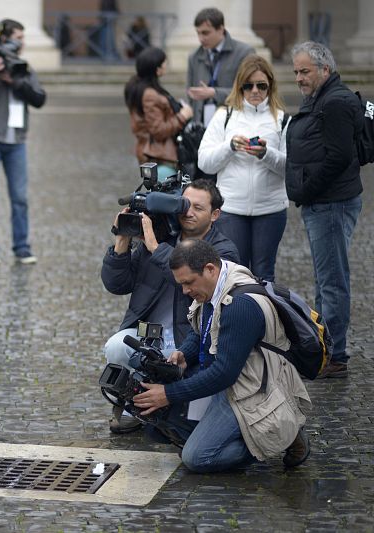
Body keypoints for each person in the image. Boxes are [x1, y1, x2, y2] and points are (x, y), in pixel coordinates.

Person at [132, 239, 312, 473]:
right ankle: (236, 432)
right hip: (228, 379)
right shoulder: (215, 284)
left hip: (251, 388)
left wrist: (168, 394)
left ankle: (281, 434)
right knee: (161, 426)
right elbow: (202, 330)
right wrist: (185, 354)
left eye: (188, 283)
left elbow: (224, 374)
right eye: (181, 284)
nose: (185, 291)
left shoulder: (240, 305)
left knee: (197, 458)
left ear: (209, 269)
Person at [101, 179, 239, 433]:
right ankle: (134, 406)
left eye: (198, 207)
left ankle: (165, 408)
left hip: (187, 341)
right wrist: (122, 241)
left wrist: (156, 249)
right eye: (184, 204)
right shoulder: (163, 237)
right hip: (148, 334)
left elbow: (198, 289)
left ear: (215, 214)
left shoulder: (222, 251)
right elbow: (117, 284)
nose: (189, 212)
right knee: (116, 346)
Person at [285, 41, 363, 379]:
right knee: (325, 279)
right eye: (296, 72)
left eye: (304, 71)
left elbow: (339, 157)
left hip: (331, 203)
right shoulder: (320, 97)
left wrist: (306, 190)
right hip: (322, 202)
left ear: (325, 70)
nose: (298, 78)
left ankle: (335, 355)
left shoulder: (334, 102)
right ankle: (325, 349)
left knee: (332, 282)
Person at [197, 54, 289, 282]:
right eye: (248, 85)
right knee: (234, 274)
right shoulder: (224, 116)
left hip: (270, 209)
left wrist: (266, 154)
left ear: (270, 86)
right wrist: (230, 147)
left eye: (261, 85)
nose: (255, 91)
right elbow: (204, 161)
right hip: (232, 208)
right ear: (240, 87)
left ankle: (263, 308)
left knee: (264, 274)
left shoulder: (282, 120)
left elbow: (291, 168)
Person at [0, 18, 46, 266]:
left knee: (20, 197)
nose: (21, 43)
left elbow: (39, 98)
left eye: (23, 38)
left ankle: (22, 247)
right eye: (18, 37)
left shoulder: (23, 68)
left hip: (16, 141)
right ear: (3, 39)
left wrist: (14, 80)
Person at [124, 46, 194, 181]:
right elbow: (158, 130)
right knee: (165, 191)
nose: (166, 65)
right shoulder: (150, 95)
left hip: (153, 155)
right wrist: (183, 116)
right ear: (157, 69)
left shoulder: (141, 88)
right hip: (159, 156)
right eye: (164, 62)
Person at [187, 7, 254, 130]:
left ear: (221, 29)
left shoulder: (245, 53)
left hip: (234, 126)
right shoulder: (194, 57)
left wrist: (214, 93)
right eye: (198, 33)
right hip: (202, 129)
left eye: (205, 33)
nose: (201, 38)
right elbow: (191, 95)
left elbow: (249, 91)